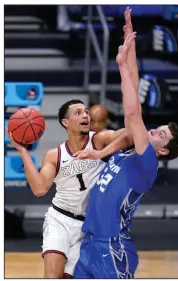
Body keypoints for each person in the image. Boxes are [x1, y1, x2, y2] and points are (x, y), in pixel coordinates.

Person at [73, 17, 178, 281]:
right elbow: (133, 92)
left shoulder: (147, 163)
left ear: (163, 152)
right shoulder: (130, 151)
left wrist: (122, 66)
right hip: (90, 244)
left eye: (163, 135)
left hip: (113, 247)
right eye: (161, 127)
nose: (157, 129)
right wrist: (130, 49)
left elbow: (134, 113)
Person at [7, 99, 135, 278]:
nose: (85, 115)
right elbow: (39, 189)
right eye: (78, 112)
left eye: (86, 112)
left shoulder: (99, 140)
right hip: (59, 220)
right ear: (65, 123)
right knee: (52, 276)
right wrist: (23, 152)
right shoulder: (54, 155)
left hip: (88, 227)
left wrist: (101, 153)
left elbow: (131, 134)